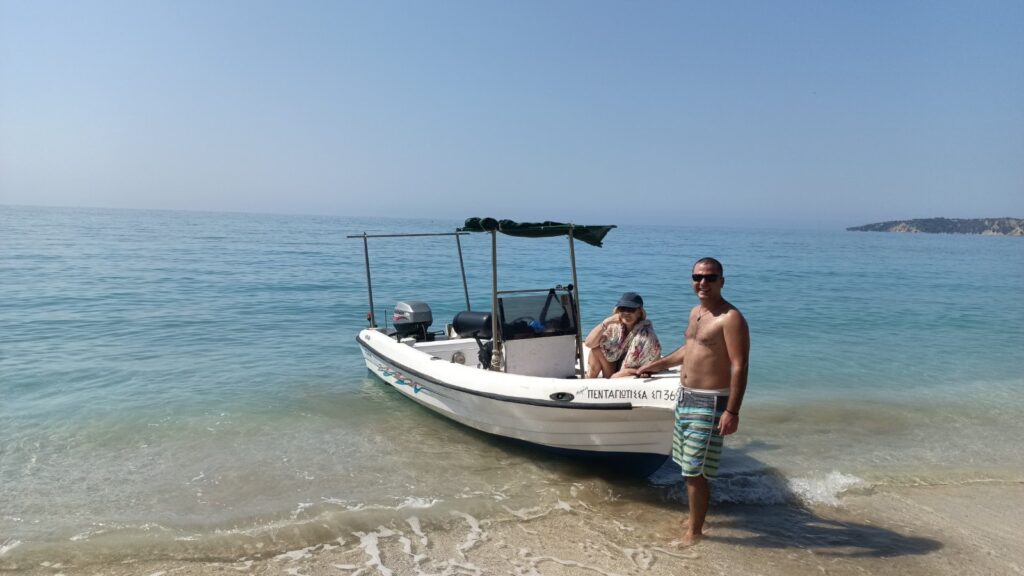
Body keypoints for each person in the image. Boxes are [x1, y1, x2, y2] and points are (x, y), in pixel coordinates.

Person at [637, 257, 750, 546]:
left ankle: (695, 532)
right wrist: (656, 365)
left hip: (710, 403)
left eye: (710, 277)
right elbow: (689, 350)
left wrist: (732, 411)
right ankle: (694, 520)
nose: (703, 283)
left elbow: (739, 366)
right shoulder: (696, 313)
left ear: (722, 281)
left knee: (695, 472)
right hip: (685, 397)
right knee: (686, 465)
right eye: (697, 277)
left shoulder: (730, 318)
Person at [584, 292, 661, 378]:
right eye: (623, 309)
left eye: (631, 309)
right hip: (615, 368)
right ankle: (589, 381)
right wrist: (606, 322)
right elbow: (589, 343)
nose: (626, 313)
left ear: (639, 312)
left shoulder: (646, 334)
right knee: (596, 349)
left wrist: (629, 371)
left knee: (619, 375)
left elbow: (654, 362)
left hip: (632, 371)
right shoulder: (614, 327)